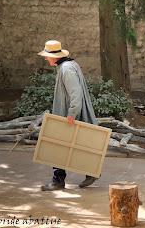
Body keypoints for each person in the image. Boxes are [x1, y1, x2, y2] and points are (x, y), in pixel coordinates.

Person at [38, 40, 99, 191]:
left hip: (69, 114)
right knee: (74, 145)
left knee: (58, 146)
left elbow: (75, 93)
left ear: (54, 56)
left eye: (47, 56)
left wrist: (71, 113)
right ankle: (89, 172)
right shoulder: (69, 65)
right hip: (69, 113)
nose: (46, 59)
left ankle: (58, 181)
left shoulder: (66, 69)